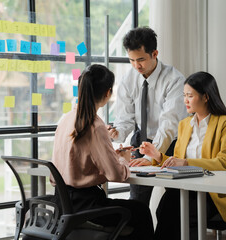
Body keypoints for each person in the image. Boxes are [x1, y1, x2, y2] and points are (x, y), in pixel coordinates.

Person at [51, 64, 154, 240]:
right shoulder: (94, 125)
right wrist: (123, 160)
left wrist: (113, 156)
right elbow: (116, 175)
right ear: (108, 93)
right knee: (141, 211)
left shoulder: (66, 120)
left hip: (62, 203)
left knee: (133, 212)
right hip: (88, 207)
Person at [139, 71, 226, 240]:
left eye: (190, 95)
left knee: (179, 209)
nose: (185, 100)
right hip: (187, 189)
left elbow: (225, 162)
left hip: (214, 193)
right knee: (165, 206)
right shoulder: (185, 125)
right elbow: (177, 161)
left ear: (206, 97)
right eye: (184, 95)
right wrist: (157, 156)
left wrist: (186, 162)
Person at [108, 27, 187, 205]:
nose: (137, 65)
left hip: (171, 145)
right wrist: (117, 132)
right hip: (141, 141)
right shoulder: (129, 79)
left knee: (174, 202)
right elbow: (125, 118)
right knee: (137, 202)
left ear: (155, 53)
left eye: (141, 59)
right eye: (132, 60)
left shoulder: (174, 80)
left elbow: (169, 125)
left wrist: (151, 157)